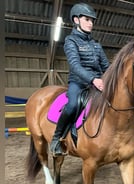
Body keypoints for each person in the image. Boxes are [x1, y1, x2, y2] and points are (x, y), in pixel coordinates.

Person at [50, 3, 110, 156]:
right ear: (76, 20)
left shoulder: (96, 45)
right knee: (72, 105)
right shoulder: (71, 41)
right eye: (87, 19)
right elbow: (75, 66)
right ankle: (57, 139)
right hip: (78, 82)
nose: (90, 23)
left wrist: (110, 78)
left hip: (97, 82)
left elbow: (106, 65)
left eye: (92, 20)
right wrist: (93, 80)